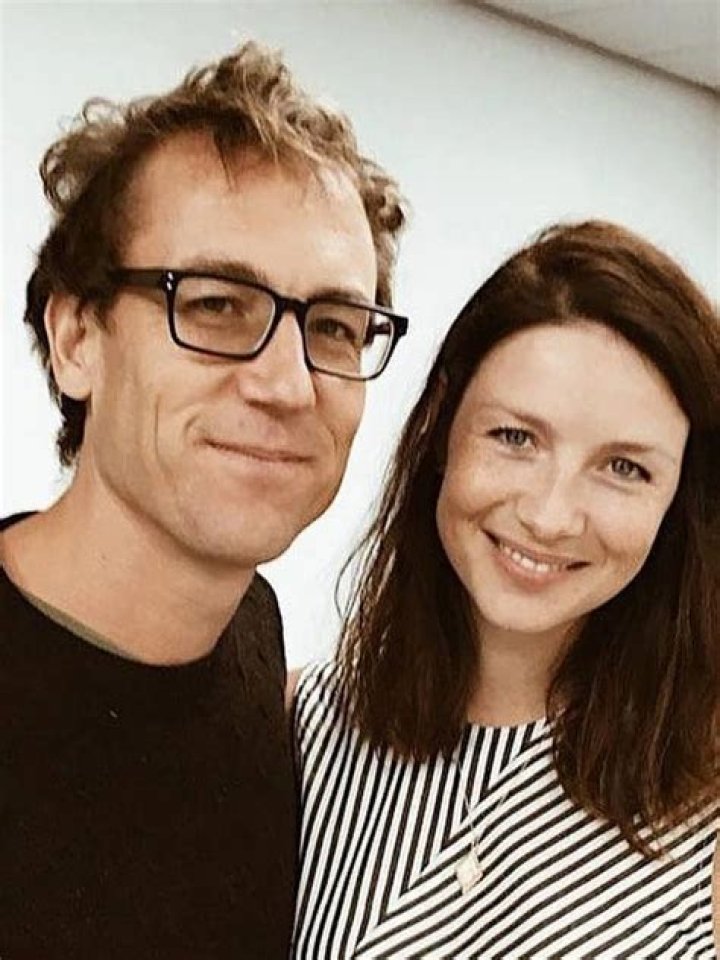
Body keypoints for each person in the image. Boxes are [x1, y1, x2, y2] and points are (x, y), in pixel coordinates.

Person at [0, 42, 408, 959]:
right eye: (217, 305)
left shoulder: (253, 634)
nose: (288, 385)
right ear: (77, 339)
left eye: (334, 327)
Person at [292, 221, 719, 958]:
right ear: (440, 427)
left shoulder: (705, 805)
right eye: (516, 437)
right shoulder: (303, 726)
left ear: (680, 501)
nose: (550, 516)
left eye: (624, 468)